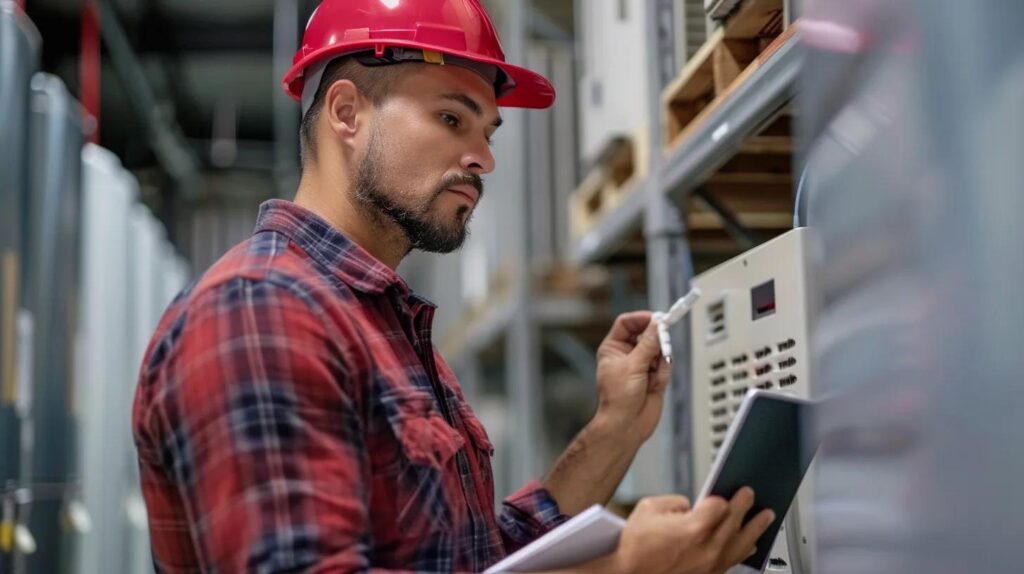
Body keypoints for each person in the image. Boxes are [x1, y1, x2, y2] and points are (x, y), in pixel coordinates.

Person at [132, 1, 774, 572]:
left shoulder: (378, 319)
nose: (483, 158)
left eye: (487, 133)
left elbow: (478, 559)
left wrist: (615, 427)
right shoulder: (263, 310)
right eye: (450, 118)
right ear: (347, 113)